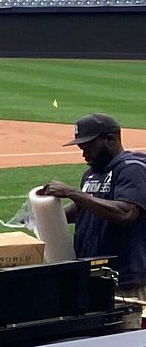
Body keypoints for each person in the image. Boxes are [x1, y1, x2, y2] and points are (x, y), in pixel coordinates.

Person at [39, 114, 146, 299]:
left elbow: (126, 213)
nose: (84, 154)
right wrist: (44, 214)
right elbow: (83, 208)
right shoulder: (92, 173)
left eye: (88, 147)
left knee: (126, 328)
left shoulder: (132, 168)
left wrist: (72, 192)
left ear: (111, 139)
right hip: (90, 276)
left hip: (124, 281)